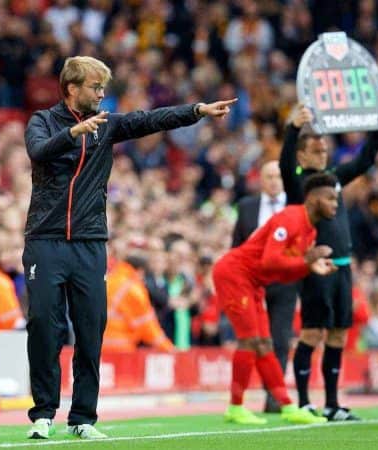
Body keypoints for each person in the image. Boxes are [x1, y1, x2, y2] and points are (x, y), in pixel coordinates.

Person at [23, 55, 236, 440]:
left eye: (104, 87)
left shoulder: (107, 126)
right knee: (43, 325)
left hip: (89, 242)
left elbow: (150, 119)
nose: (102, 94)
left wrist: (197, 111)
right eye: (95, 87)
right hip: (45, 239)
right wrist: (73, 133)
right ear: (72, 88)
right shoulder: (42, 121)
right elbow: (37, 151)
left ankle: (83, 418)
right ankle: (43, 412)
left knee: (91, 328)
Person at [280, 102, 378, 421]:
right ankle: (303, 401)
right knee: (312, 333)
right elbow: (284, 164)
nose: (323, 154)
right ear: (302, 155)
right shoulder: (298, 183)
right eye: (316, 150)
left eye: (324, 150)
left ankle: (331, 403)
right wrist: (292, 129)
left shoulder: (334, 179)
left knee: (339, 335)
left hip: (344, 267)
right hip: (317, 268)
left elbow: (365, 159)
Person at [213, 172, 340, 425]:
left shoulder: (310, 232)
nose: (335, 205)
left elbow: (283, 271)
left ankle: (287, 406)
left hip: (255, 282)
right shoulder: (291, 218)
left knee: (264, 344)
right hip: (235, 274)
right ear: (314, 199)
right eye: (331, 199)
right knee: (249, 341)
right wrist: (306, 261)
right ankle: (235, 407)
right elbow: (270, 260)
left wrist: (310, 266)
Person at [231, 160, 298, 413]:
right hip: (252, 281)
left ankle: (274, 396)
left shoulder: (293, 207)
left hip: (284, 282)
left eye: (278, 177)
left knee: (280, 339)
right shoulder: (247, 207)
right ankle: (240, 399)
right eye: (269, 176)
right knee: (252, 339)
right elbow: (236, 244)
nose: (274, 181)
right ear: (261, 180)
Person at [102, 254, 174, 353]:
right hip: (120, 348)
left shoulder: (109, 280)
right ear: (141, 271)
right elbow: (148, 327)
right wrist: (169, 349)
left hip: (99, 346)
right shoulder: (134, 289)